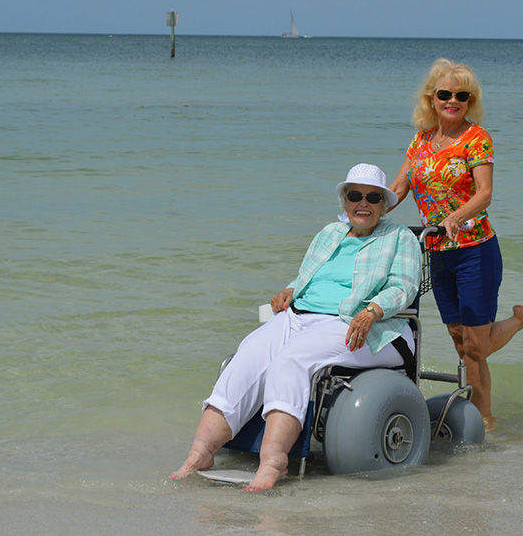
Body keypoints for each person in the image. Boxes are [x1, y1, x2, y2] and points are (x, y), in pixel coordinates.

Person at [171, 163, 422, 490]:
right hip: (300, 315)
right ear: (345, 202)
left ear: (385, 204)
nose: (364, 203)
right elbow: (308, 277)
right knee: (247, 356)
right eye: (355, 196)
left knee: (292, 359)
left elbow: (403, 287)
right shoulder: (328, 234)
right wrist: (289, 291)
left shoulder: (398, 237)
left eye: (373, 197)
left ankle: (273, 462)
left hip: (360, 323)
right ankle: (200, 453)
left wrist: (373, 310)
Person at [389, 58, 523, 431]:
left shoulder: (477, 138)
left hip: (475, 251)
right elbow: (399, 188)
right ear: (431, 98)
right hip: (437, 253)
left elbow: (485, 193)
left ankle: (518, 323)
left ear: (470, 100)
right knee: (460, 342)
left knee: (476, 346)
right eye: (445, 94)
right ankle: (482, 415)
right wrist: (363, 208)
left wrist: (455, 217)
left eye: (462, 95)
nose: (452, 100)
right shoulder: (421, 139)